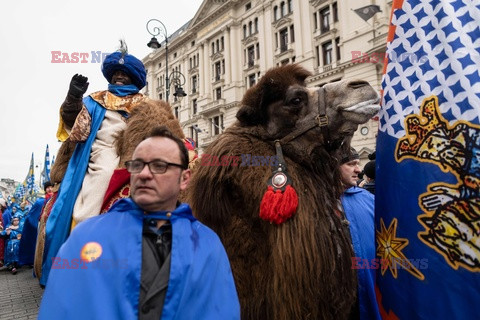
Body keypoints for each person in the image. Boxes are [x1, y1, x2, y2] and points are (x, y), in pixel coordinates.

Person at [38, 126, 240, 319]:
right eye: (137, 165)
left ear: (184, 178)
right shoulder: (85, 236)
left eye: (159, 166)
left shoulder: (208, 245)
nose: (144, 174)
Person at [39, 41, 152, 286]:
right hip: (97, 154)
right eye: (116, 74)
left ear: (132, 78)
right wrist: (73, 98)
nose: (119, 78)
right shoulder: (95, 100)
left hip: (132, 155)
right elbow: (75, 128)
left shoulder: (145, 105)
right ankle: (81, 246)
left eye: (124, 74)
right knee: (99, 180)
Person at [338, 147, 380, 320]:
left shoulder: (369, 199)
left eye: (358, 163)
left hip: (368, 286)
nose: (358, 169)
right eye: (351, 164)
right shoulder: (316, 202)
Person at [19, 181, 54, 267]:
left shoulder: (56, 199)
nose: (49, 189)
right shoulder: (40, 202)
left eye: (51, 187)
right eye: (47, 187)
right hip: (41, 228)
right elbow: (31, 217)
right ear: (45, 189)